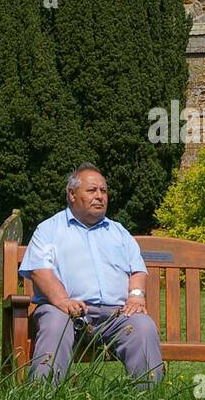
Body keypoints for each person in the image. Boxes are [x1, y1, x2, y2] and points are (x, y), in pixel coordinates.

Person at [19, 164, 164, 388]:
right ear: (72, 194)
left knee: (143, 326)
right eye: (92, 190)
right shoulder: (49, 230)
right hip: (66, 312)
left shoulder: (118, 232)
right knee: (56, 322)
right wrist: (63, 301)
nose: (99, 196)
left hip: (116, 317)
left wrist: (136, 296)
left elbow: (137, 269)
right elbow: (40, 270)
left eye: (103, 191)